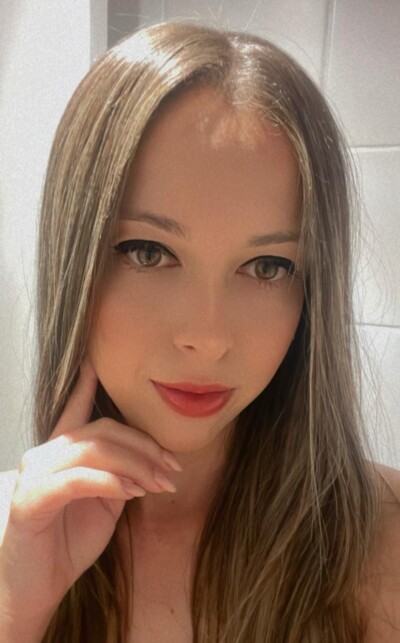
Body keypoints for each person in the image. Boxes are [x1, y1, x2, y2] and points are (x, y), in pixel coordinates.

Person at [0, 19, 399, 643]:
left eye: (267, 267)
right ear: (76, 260)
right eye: (148, 253)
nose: (208, 340)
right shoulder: (15, 536)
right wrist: (17, 613)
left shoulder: (382, 538)